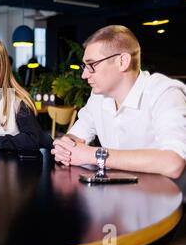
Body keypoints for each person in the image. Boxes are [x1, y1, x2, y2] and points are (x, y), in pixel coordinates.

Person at [51, 25, 186, 178]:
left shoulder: (164, 92)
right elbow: (74, 137)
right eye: (85, 66)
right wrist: (65, 146)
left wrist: (95, 155)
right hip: (112, 196)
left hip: (161, 198)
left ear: (122, 61)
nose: (84, 75)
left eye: (92, 65)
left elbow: (173, 163)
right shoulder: (98, 97)